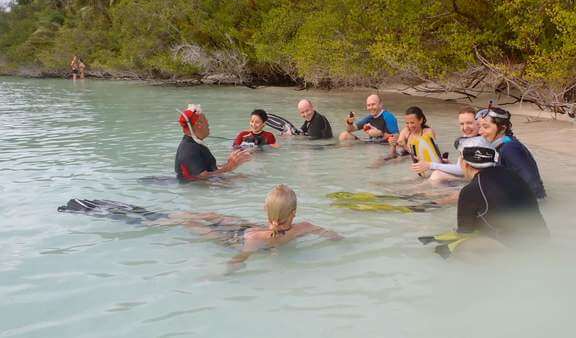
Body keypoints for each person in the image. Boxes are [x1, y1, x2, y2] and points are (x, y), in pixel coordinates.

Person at [58, 185, 342, 273]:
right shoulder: (302, 227)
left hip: (244, 228)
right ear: (294, 213)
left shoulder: (263, 236)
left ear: (266, 211)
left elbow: (238, 262)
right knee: (184, 221)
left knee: (193, 217)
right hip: (236, 235)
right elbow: (237, 261)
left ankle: (112, 209)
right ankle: (105, 210)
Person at [456, 146, 549, 248]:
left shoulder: (470, 191)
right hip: (544, 240)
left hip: (514, 251)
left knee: (457, 247)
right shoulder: (514, 175)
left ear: (465, 164)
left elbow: (464, 232)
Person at [477, 106, 547, 199]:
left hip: (529, 205)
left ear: (502, 128)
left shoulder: (509, 148)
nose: (480, 131)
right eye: (479, 126)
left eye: (485, 127)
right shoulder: (506, 142)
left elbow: (533, 185)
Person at [411, 106, 488, 182]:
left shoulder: (478, 142)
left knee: (436, 176)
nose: (465, 127)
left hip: (476, 182)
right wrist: (448, 165)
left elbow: (461, 171)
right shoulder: (469, 139)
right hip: (470, 178)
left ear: (479, 123)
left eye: (469, 123)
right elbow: (463, 168)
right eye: (462, 124)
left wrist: (430, 165)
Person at [175, 104, 251, 181]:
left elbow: (206, 168)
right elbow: (201, 177)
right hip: (196, 188)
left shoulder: (194, 144)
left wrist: (230, 163)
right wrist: (228, 167)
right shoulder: (189, 149)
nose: (208, 124)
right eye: (206, 121)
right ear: (199, 125)